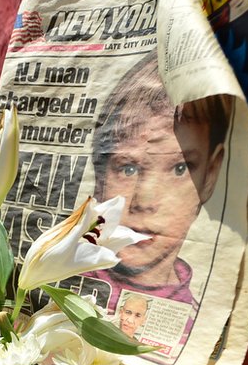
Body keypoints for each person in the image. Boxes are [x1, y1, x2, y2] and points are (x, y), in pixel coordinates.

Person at [85, 54, 231, 312]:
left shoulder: (198, 321)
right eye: (127, 168)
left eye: (179, 168)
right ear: (100, 176)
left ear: (210, 176)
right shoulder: (64, 279)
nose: (144, 201)